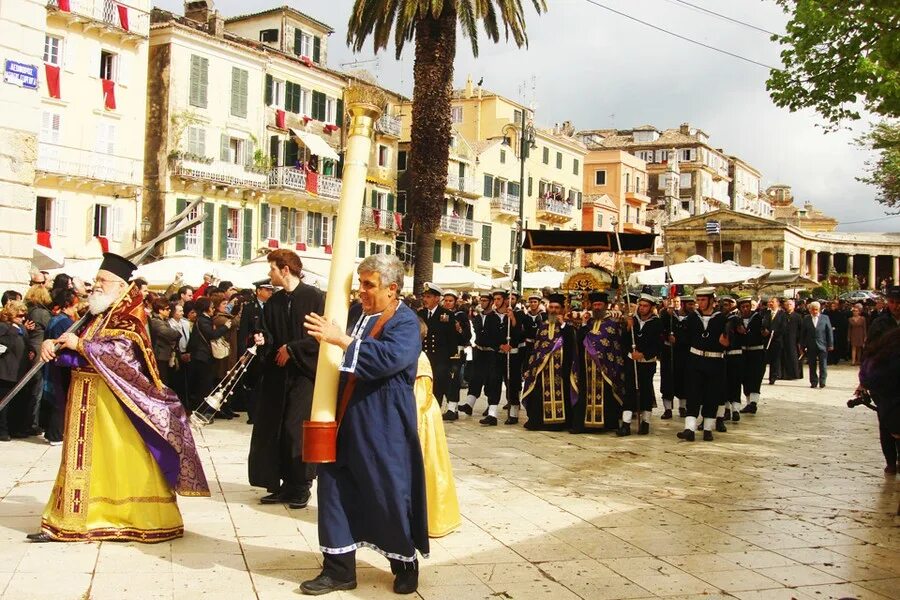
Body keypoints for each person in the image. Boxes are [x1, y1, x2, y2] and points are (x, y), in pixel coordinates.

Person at [30, 253, 209, 542]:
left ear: (120, 285)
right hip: (87, 399)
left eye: (103, 281)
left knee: (121, 460)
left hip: (115, 404)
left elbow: (122, 353)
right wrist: (52, 345)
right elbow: (74, 344)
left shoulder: (129, 315)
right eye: (96, 280)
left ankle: (131, 518)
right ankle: (74, 519)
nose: (95, 286)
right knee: (86, 461)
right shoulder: (96, 312)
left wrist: (82, 345)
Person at [302, 254, 428, 596]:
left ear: (392, 289)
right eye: (360, 283)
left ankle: (404, 563)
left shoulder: (405, 323)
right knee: (334, 488)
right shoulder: (354, 314)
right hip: (344, 417)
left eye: (368, 285)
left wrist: (341, 340)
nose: (361, 291)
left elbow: (388, 359)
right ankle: (339, 569)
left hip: (384, 420)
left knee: (387, 489)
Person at [248, 250, 324, 509]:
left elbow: (322, 335)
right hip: (278, 376)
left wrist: (292, 349)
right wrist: (262, 339)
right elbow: (268, 332)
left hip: (304, 375)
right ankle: (283, 485)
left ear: (285, 269)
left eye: (272, 269)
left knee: (296, 429)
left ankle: (301, 485)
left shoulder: (314, 298)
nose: (270, 275)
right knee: (276, 429)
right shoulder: (274, 302)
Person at [413, 318, 461, 538]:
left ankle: (433, 519)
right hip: (424, 415)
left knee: (428, 468)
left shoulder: (419, 359)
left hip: (422, 420)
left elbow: (418, 397)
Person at [677, 287, 728, 442]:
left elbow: (730, 339)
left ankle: (707, 429)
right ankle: (689, 429)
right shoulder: (692, 317)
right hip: (695, 360)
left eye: (703, 300)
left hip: (715, 361)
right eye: (698, 300)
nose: (700, 303)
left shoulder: (722, 319)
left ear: (712, 301)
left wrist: (726, 341)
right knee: (692, 393)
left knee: (712, 395)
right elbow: (683, 336)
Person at [572, 291, 625, 433]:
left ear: (605, 305)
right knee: (584, 393)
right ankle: (584, 423)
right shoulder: (588, 322)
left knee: (607, 394)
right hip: (586, 367)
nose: (596, 307)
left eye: (599, 304)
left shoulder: (613, 323)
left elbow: (616, 345)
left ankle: (607, 423)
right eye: (594, 305)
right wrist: (583, 324)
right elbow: (579, 341)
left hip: (606, 367)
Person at [522, 293, 576, 431]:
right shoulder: (543, 325)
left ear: (562, 309)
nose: (553, 310)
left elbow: (572, 345)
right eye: (551, 307)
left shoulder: (568, 326)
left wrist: (563, 324)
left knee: (562, 393)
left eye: (556, 308)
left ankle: (560, 423)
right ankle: (538, 421)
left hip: (561, 368)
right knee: (539, 393)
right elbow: (537, 347)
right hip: (542, 368)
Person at [444, 292, 499, 421]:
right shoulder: (478, 317)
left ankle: (492, 411)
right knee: (475, 378)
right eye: (445, 300)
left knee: (491, 380)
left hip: (489, 352)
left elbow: (467, 336)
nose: (447, 303)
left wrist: (460, 330)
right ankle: (467, 405)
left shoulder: (461, 316)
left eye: (450, 301)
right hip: (478, 351)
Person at [618, 294, 663, 436]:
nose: (642, 309)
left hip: (647, 363)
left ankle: (646, 422)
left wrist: (643, 354)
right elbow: (623, 341)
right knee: (629, 390)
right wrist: (628, 328)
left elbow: (658, 344)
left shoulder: (657, 323)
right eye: (641, 305)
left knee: (645, 391)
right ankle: (625, 424)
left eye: (645, 306)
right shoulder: (632, 321)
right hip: (632, 361)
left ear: (651, 308)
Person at [43, 289, 80, 445]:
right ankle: (55, 434)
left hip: (56, 363)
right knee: (60, 398)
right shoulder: (64, 322)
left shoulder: (55, 319)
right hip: (61, 364)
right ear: (68, 304)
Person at [186, 296, 232, 411]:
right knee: (204, 385)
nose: (213, 309)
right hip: (202, 356)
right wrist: (225, 327)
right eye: (211, 307)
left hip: (203, 356)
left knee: (205, 384)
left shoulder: (204, 319)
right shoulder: (202, 320)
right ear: (206, 308)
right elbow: (212, 334)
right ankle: (202, 410)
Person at [417, 283, 455, 409]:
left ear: (437, 299)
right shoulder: (420, 314)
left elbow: (451, 339)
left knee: (438, 386)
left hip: (440, 359)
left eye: (428, 297)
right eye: (424, 296)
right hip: (424, 357)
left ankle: (435, 411)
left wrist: (451, 360)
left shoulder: (446, 315)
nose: (425, 299)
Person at [0, 301, 29, 442]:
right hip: (5, 370)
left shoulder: (22, 328)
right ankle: (2, 430)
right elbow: (5, 344)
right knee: (4, 402)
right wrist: (13, 328)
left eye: (24, 315)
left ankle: (15, 428)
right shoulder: (3, 327)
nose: (23, 318)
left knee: (17, 403)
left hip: (19, 370)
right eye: (20, 315)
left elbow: (27, 344)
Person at [738, 297, 766, 415]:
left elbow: (766, 331)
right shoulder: (737, 319)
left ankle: (753, 403)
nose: (746, 309)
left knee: (755, 377)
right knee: (745, 378)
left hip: (757, 352)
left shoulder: (758, 318)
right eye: (743, 307)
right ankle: (749, 403)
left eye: (747, 306)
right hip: (743, 353)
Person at [801, 301, 833, 389]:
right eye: (813, 310)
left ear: (819, 309)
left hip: (823, 345)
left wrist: (830, 344)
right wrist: (802, 346)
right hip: (811, 345)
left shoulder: (825, 318)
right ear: (810, 310)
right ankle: (813, 382)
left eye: (816, 310)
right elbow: (803, 333)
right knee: (812, 365)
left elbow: (829, 331)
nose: (815, 312)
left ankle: (822, 381)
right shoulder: (806, 319)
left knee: (823, 365)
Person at [762, 297, 786, 385]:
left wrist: (773, 333)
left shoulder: (782, 314)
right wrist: (764, 331)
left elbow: (783, 328)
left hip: (776, 341)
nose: (770, 303)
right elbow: (763, 324)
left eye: (772, 302)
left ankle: (773, 377)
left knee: (775, 360)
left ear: (777, 303)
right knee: (763, 359)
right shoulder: (766, 313)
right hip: (766, 340)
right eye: (769, 302)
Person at [781, 299, 804, 380]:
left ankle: (795, 374)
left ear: (794, 306)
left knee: (794, 357)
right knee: (784, 357)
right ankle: (784, 374)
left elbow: (801, 329)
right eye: (787, 304)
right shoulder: (782, 315)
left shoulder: (798, 316)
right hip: (784, 339)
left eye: (790, 304)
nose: (788, 306)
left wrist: (800, 341)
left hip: (794, 340)